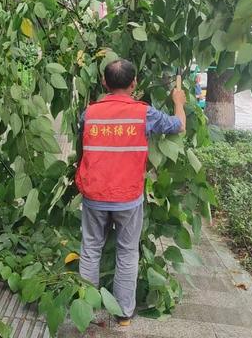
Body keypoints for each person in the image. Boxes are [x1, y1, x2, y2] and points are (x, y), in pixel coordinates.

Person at [75, 59, 186, 326]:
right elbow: (179, 125)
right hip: (127, 198)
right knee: (127, 252)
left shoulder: (88, 113)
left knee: (90, 249)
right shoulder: (143, 114)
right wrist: (179, 101)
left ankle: (86, 310)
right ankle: (123, 314)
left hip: (94, 195)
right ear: (134, 83)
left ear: (104, 82)